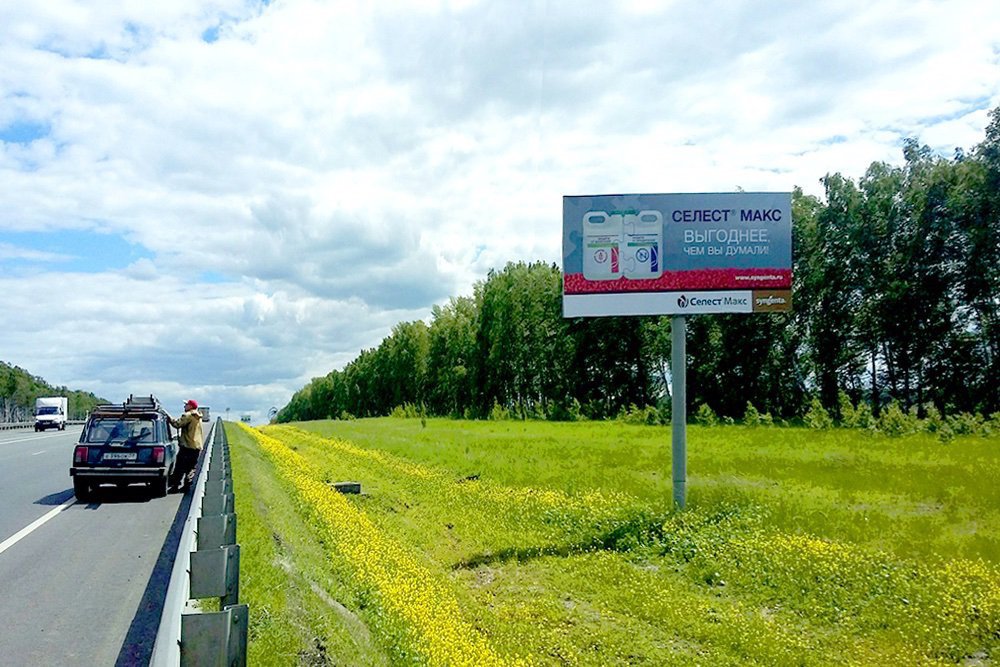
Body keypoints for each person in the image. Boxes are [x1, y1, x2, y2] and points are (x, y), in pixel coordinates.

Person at [168, 399, 204, 492]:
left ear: (191, 406)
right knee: (191, 467)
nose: (185, 406)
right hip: (196, 446)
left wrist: (169, 418)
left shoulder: (188, 415)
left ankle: (175, 486)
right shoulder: (197, 416)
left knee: (179, 467)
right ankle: (187, 486)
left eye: (186, 404)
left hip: (187, 445)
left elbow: (177, 424)